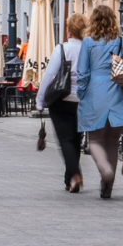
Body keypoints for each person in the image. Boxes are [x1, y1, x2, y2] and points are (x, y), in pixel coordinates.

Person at [76, 5, 123, 199]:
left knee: (94, 139)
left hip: (96, 92)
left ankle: (105, 170)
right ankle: (108, 185)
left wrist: (81, 93)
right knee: (113, 140)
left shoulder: (87, 43)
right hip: (119, 93)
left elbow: (83, 72)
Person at [37, 13, 87, 193]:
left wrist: (40, 99)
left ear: (69, 30)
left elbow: (49, 75)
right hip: (82, 101)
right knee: (76, 139)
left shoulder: (62, 49)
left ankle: (74, 175)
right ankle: (70, 180)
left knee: (65, 140)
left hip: (61, 99)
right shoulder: (88, 49)